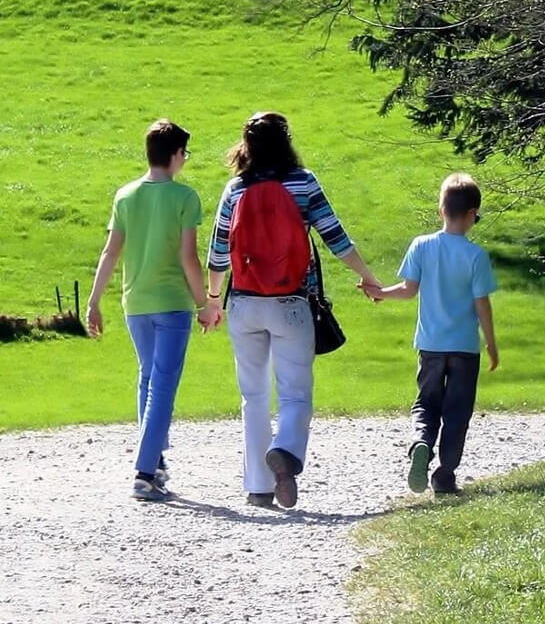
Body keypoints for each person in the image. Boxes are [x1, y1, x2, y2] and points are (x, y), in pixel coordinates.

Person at [206, 111, 381, 509]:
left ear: (247, 146)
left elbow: (218, 252)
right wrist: (368, 277)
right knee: (295, 394)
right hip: (291, 301)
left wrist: (214, 299)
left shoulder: (235, 189)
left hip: (244, 303)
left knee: (253, 396)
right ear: (286, 142)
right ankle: (284, 452)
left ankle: (258, 487)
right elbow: (336, 238)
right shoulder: (303, 182)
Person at [87, 119, 219, 502]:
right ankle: (145, 473)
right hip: (172, 304)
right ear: (176, 155)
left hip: (136, 303)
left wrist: (94, 301)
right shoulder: (184, 198)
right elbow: (188, 258)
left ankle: (155, 462)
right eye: (184, 154)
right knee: (161, 386)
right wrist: (204, 303)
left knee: (148, 378)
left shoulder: (125, 195)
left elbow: (111, 252)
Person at [362, 172, 498, 496]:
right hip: (464, 348)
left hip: (430, 345)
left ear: (441, 211)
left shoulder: (421, 246)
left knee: (426, 403)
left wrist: (379, 292)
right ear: (472, 215)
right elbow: (482, 305)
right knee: (457, 412)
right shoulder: (476, 256)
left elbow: (408, 290)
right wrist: (491, 345)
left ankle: (421, 442)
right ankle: (445, 475)